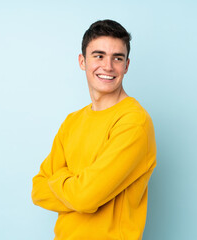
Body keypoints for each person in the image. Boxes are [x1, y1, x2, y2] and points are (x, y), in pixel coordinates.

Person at [31, 19, 157, 240]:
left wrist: (59, 178)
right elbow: (38, 190)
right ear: (82, 61)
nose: (107, 66)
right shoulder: (72, 121)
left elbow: (85, 197)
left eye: (117, 58)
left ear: (126, 65)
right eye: (99, 56)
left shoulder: (133, 122)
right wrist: (75, 186)